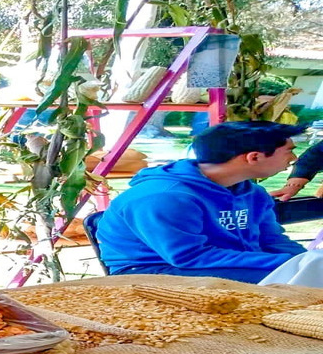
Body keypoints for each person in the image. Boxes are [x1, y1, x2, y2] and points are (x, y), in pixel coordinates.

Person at [94, 121, 308, 284]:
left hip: (221, 265)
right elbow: (189, 257)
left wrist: (307, 260)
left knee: (306, 275)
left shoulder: (252, 193)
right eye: (289, 150)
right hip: (152, 272)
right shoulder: (164, 197)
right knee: (296, 281)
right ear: (254, 157)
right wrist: (289, 264)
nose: (294, 159)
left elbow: (272, 239)